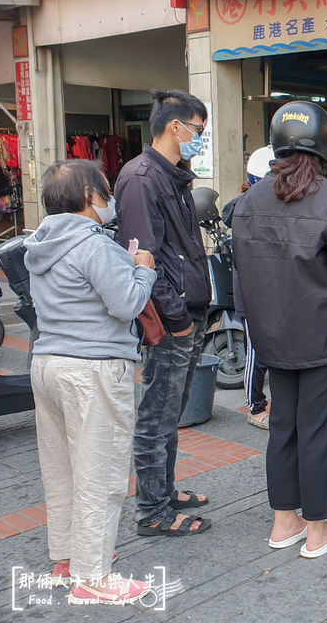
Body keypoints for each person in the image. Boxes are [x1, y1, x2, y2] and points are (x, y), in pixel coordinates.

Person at [231, 101, 327, 559]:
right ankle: (317, 530)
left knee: (283, 427)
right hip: (323, 333)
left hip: (271, 334)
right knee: (320, 429)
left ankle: (283, 523)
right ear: (325, 145)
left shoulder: (248, 201)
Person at [25, 160, 157, 604]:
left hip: (47, 363)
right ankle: (93, 575)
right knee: (100, 472)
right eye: (105, 190)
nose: (110, 199)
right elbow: (127, 304)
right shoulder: (94, 246)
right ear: (88, 196)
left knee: (60, 467)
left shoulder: (42, 241)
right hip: (93, 367)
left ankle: (67, 558)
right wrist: (144, 268)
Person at [115, 89, 212, 537]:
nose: (200, 139)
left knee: (168, 414)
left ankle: (165, 491)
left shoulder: (171, 175)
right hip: (169, 323)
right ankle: (152, 511)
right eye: (198, 130)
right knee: (156, 417)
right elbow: (144, 259)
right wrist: (179, 321)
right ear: (176, 126)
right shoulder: (141, 178)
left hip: (186, 315)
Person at [222, 145, 275, 430]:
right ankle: (255, 407)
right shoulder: (244, 208)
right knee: (257, 352)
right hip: (254, 294)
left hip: (274, 292)